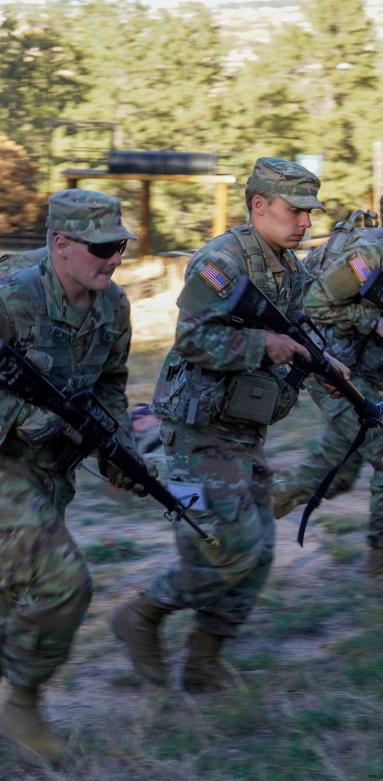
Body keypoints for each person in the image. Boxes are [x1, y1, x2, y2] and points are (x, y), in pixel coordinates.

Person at [112, 158, 346, 692]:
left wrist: (324, 368)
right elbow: (192, 340)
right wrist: (260, 344)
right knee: (228, 545)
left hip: (242, 431)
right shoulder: (220, 263)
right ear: (259, 205)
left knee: (257, 552)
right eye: (295, 210)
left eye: (310, 212)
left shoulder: (290, 270)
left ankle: (203, 660)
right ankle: (142, 615)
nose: (306, 222)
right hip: (194, 432)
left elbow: (298, 339)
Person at [0, 189, 141, 763]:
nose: (113, 260)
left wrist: (119, 448)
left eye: (121, 248)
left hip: (48, 473)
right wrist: (28, 417)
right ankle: (22, 705)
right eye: (103, 248)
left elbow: (110, 385)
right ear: (61, 244)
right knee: (65, 583)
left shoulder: (113, 307)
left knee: (10, 595)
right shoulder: (12, 298)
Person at [272, 157, 383, 576]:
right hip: (331, 371)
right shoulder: (370, 251)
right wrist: (374, 323)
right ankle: (380, 568)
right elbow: (315, 303)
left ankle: (260, 505)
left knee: (337, 473)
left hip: (363, 369)